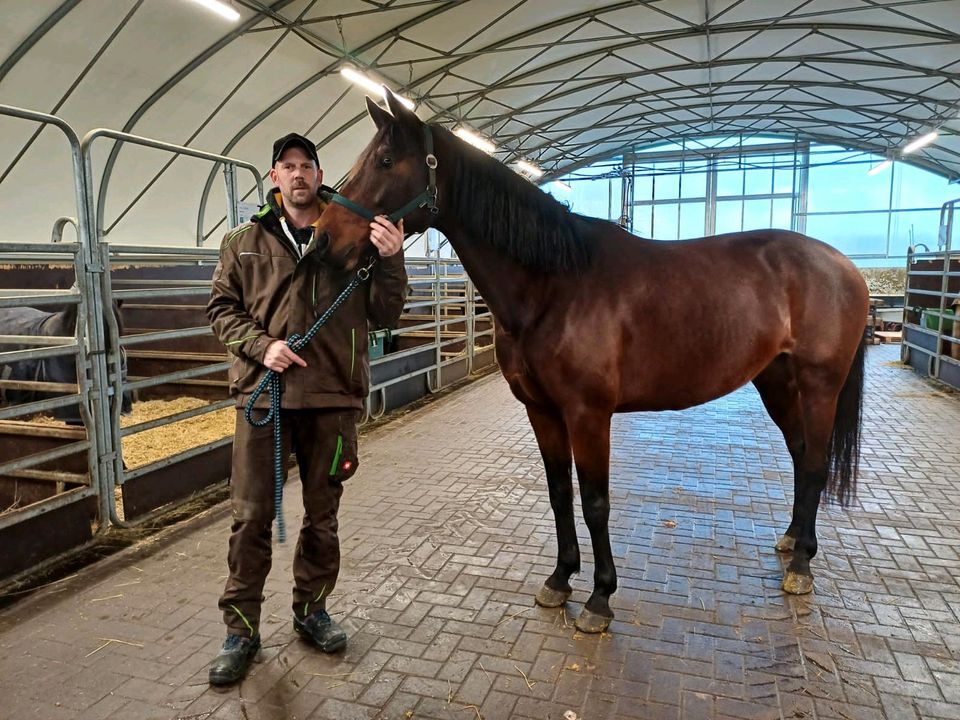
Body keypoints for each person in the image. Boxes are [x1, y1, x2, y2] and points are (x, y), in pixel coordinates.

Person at [205, 132, 407, 685]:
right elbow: (221, 308)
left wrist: (392, 260)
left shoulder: (353, 235)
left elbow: (386, 314)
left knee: (323, 517)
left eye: (306, 166)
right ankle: (240, 630)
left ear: (320, 176)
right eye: (286, 166)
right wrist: (260, 345)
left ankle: (312, 611)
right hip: (263, 397)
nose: (297, 175)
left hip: (331, 398)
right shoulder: (243, 241)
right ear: (274, 178)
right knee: (250, 517)